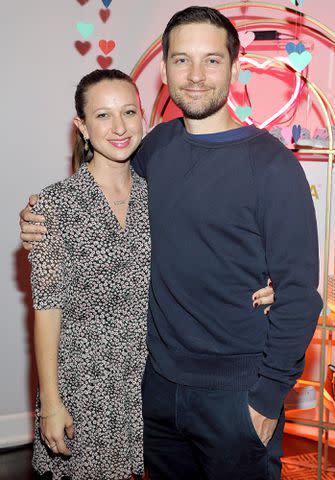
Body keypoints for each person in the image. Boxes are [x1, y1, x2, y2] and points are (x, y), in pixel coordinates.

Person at [18, 7, 305, 480]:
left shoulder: (273, 166)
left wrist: (267, 396)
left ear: (235, 69)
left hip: (235, 397)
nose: (195, 76)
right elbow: (104, 200)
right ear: (164, 70)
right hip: (155, 390)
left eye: (211, 61)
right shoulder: (156, 149)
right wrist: (38, 221)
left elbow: (300, 294)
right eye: (181, 60)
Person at [27, 68, 151, 480]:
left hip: (146, 383)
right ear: (82, 125)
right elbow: (46, 309)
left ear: (143, 116)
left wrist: (260, 282)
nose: (119, 127)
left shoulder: (160, 196)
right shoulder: (53, 206)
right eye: (103, 115)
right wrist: (51, 401)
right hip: (83, 386)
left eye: (129, 112)